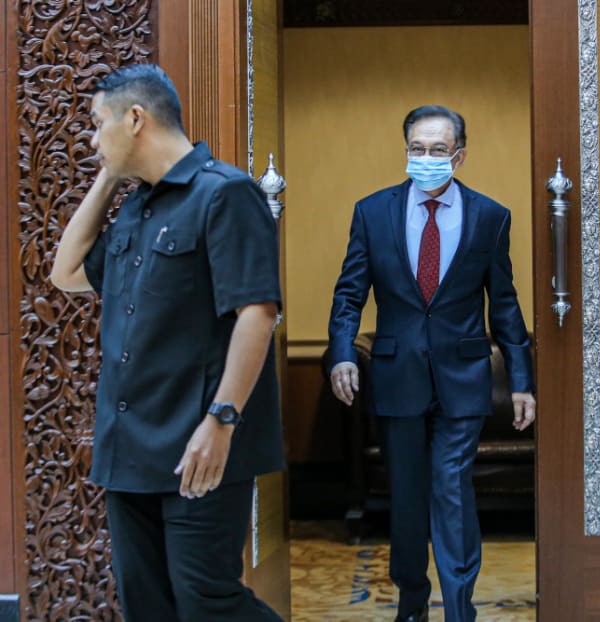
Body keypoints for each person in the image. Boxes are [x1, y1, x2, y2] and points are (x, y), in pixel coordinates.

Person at [50, 64, 285, 622]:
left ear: (136, 119)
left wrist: (221, 419)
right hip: (127, 445)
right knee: (147, 605)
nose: (91, 138)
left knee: (207, 600)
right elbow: (66, 273)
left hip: (198, 444)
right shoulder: (137, 203)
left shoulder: (226, 194)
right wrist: (108, 177)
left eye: (97, 123)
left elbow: (258, 312)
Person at [327, 105, 536, 622]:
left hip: (464, 378)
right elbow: (349, 294)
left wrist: (522, 383)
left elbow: (505, 305)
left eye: (437, 150)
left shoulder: (491, 216)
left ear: (459, 156)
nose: (426, 158)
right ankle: (412, 601)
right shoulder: (372, 212)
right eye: (416, 149)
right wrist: (340, 355)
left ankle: (460, 609)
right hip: (397, 377)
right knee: (408, 497)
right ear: (405, 151)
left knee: (451, 487)